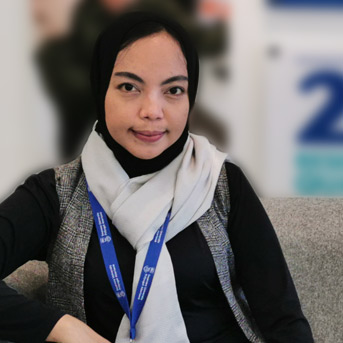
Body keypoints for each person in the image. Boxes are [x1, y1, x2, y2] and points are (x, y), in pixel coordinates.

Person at [0, 11, 314, 343]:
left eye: (173, 90)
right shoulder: (57, 193)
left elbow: (283, 318)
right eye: (129, 87)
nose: (152, 110)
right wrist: (65, 328)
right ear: (100, 89)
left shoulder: (220, 182)